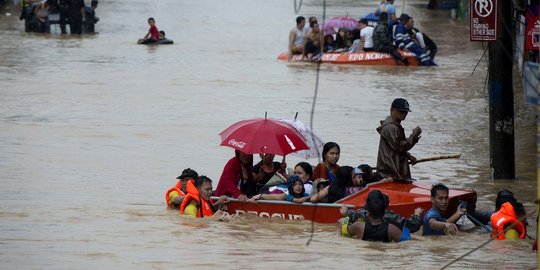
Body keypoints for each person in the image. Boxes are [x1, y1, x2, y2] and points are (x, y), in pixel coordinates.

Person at [376, 98, 421, 182]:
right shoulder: (391, 127)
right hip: (390, 175)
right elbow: (401, 147)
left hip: (393, 174)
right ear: (391, 110)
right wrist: (414, 136)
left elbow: (394, 148)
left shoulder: (394, 126)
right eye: (401, 111)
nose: (404, 114)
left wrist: (407, 155)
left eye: (405, 112)